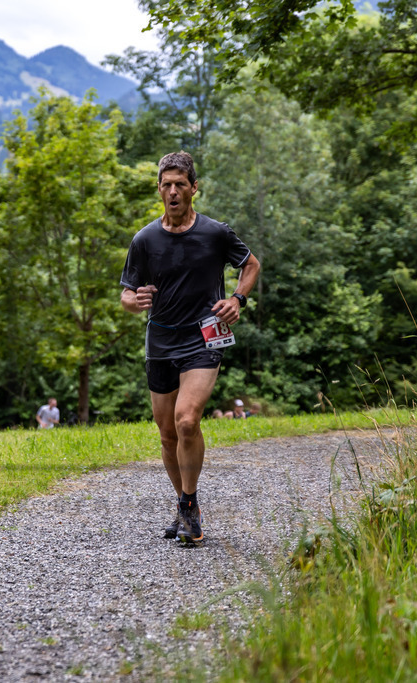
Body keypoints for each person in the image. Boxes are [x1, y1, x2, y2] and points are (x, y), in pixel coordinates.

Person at [120, 151, 261, 545]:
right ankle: (185, 505)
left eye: (181, 183)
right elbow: (126, 295)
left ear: (194, 188)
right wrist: (136, 301)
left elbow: (251, 265)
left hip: (205, 336)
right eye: (166, 184)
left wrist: (237, 299)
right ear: (159, 190)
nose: (173, 191)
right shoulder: (144, 239)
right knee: (167, 434)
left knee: (186, 420)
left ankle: (189, 503)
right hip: (161, 339)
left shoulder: (215, 232)